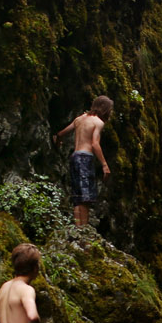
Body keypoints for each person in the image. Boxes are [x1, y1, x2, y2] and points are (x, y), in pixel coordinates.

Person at [53, 95, 113, 226]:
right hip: (85, 158)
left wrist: (58, 144)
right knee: (85, 196)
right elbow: (95, 144)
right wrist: (104, 165)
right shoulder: (98, 122)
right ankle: (84, 229)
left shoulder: (79, 119)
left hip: (74, 157)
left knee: (77, 195)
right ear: (105, 109)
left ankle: (78, 228)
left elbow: (59, 134)